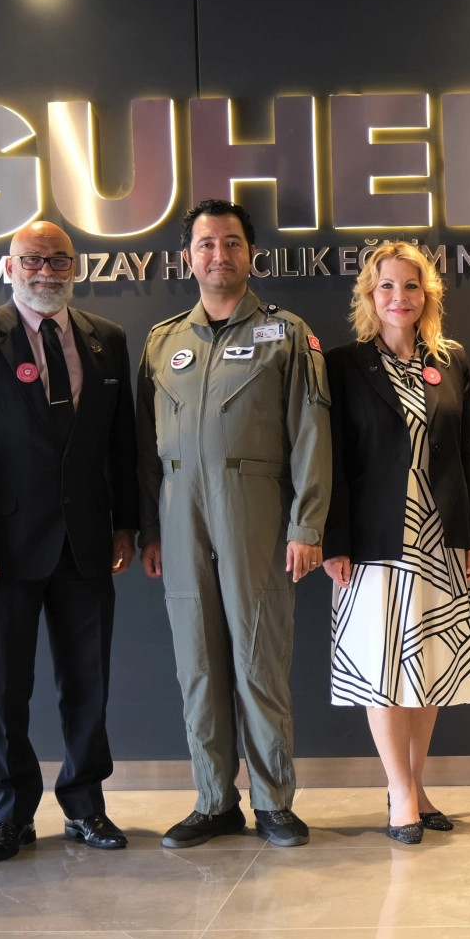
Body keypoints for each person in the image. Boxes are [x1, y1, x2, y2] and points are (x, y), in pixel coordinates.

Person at [0, 220, 139, 862]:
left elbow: (121, 443)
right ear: (9, 266)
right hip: (3, 547)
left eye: (58, 260)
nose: (45, 270)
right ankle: (10, 813)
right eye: (32, 260)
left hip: (87, 542)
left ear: (75, 266)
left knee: (88, 683)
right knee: (3, 687)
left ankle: (85, 805)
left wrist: (125, 523)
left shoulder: (107, 339)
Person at [136, 199, 331, 849]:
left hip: (256, 511)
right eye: (206, 244)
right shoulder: (163, 341)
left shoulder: (286, 334)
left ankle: (273, 802)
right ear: (188, 257)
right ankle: (214, 801)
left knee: (257, 659)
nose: (218, 254)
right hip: (180, 513)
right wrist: (150, 529)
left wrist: (307, 525)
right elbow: (142, 448)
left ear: (252, 254)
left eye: (231, 243)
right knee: (197, 663)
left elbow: (311, 434)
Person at [323, 242, 470, 845]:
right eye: (387, 286)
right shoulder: (344, 364)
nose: (400, 297)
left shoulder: (451, 359)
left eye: (412, 286)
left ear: (428, 295)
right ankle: (398, 793)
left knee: (428, 668)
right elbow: (331, 461)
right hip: (374, 541)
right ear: (370, 295)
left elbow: (468, 452)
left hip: (439, 537)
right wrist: (333, 541)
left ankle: (415, 786)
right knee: (383, 670)